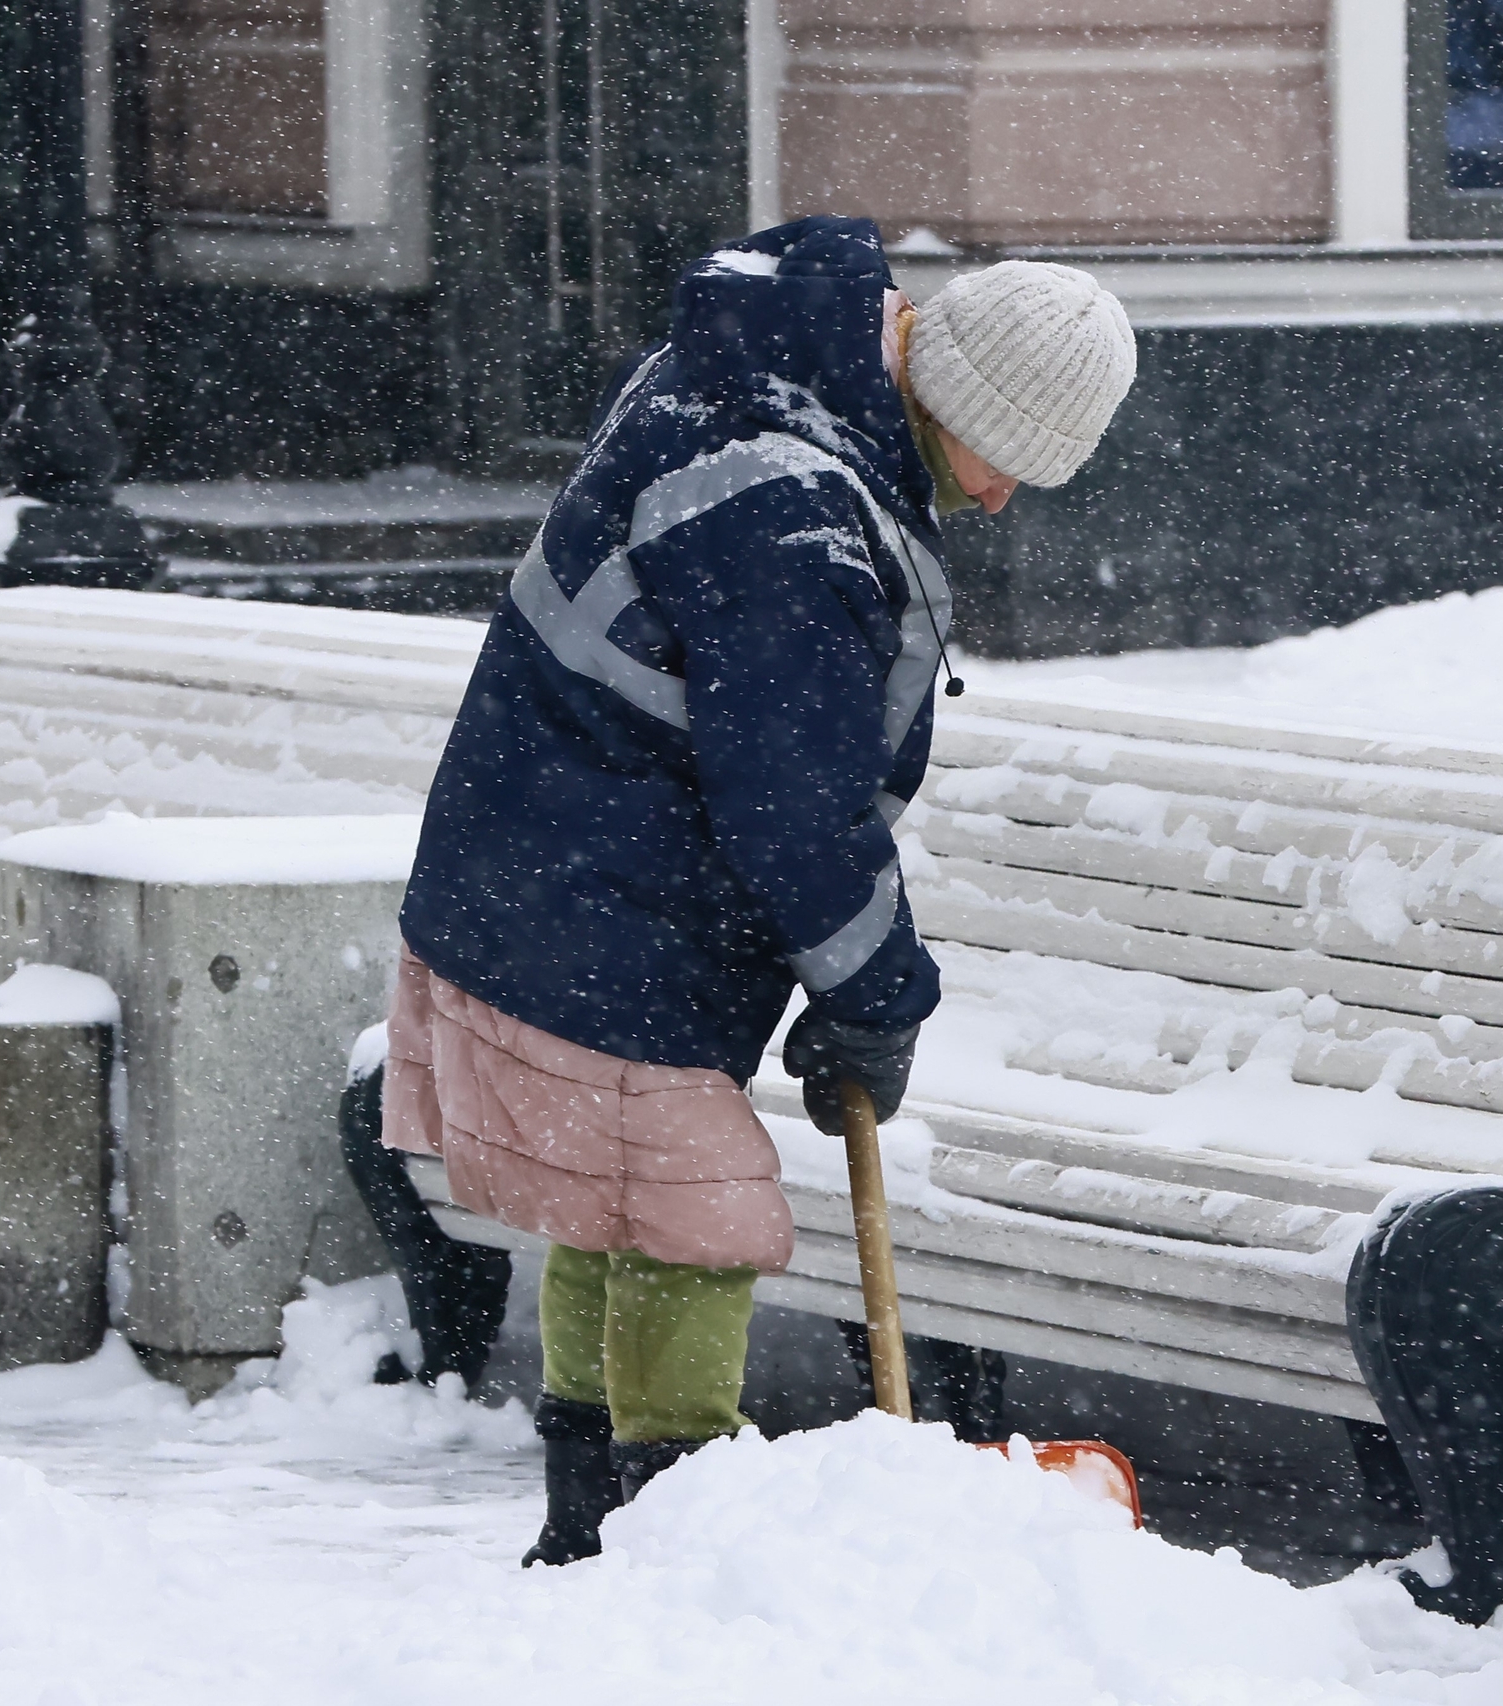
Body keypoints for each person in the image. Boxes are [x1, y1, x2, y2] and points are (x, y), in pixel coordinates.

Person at [378, 216, 1136, 1566]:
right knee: (690, 1214)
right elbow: (794, 799)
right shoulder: (799, 515)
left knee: (616, 1201)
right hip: (595, 900)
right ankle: (668, 1536)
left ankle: (588, 1528)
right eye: (1007, 462)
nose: (1008, 500)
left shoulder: (773, 381)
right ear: (950, 395)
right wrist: (876, 991)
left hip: (558, 871)